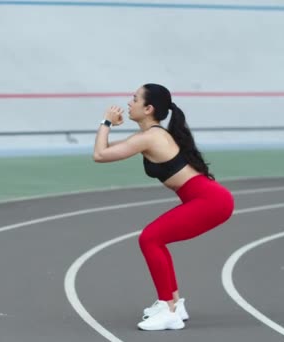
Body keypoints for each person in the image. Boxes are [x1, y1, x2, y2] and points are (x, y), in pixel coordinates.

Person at [92, 83, 235, 331]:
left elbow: (100, 155)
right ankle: (174, 304)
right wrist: (107, 127)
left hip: (211, 201)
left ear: (148, 109)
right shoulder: (147, 137)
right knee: (155, 239)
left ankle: (168, 308)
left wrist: (106, 122)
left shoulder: (151, 137)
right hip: (206, 199)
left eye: (134, 99)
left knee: (150, 238)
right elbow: (105, 151)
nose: (129, 103)